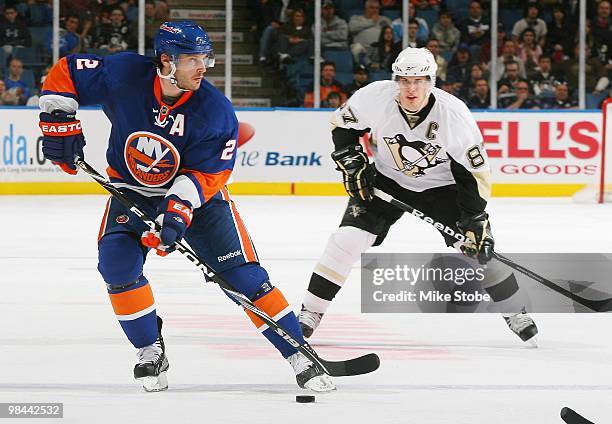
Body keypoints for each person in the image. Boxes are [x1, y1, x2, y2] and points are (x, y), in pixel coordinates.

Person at [38, 20, 334, 393]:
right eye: (192, 59)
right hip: (132, 190)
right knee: (116, 266)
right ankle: (150, 351)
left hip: (200, 201)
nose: (203, 67)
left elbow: (209, 174)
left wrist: (176, 211)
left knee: (243, 280)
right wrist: (58, 121)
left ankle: (298, 353)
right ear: (165, 60)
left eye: (205, 58)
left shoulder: (214, 111)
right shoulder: (125, 74)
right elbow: (66, 72)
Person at [297, 47, 538, 345]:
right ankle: (311, 312)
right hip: (386, 181)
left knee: (476, 249)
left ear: (432, 82)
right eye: (405, 80)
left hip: (443, 188)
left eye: (420, 81)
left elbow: (473, 173)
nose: (412, 88)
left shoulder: (453, 114)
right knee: (347, 240)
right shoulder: (375, 97)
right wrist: (353, 160)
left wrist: (475, 218)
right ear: (395, 80)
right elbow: (343, 126)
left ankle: (515, 312)